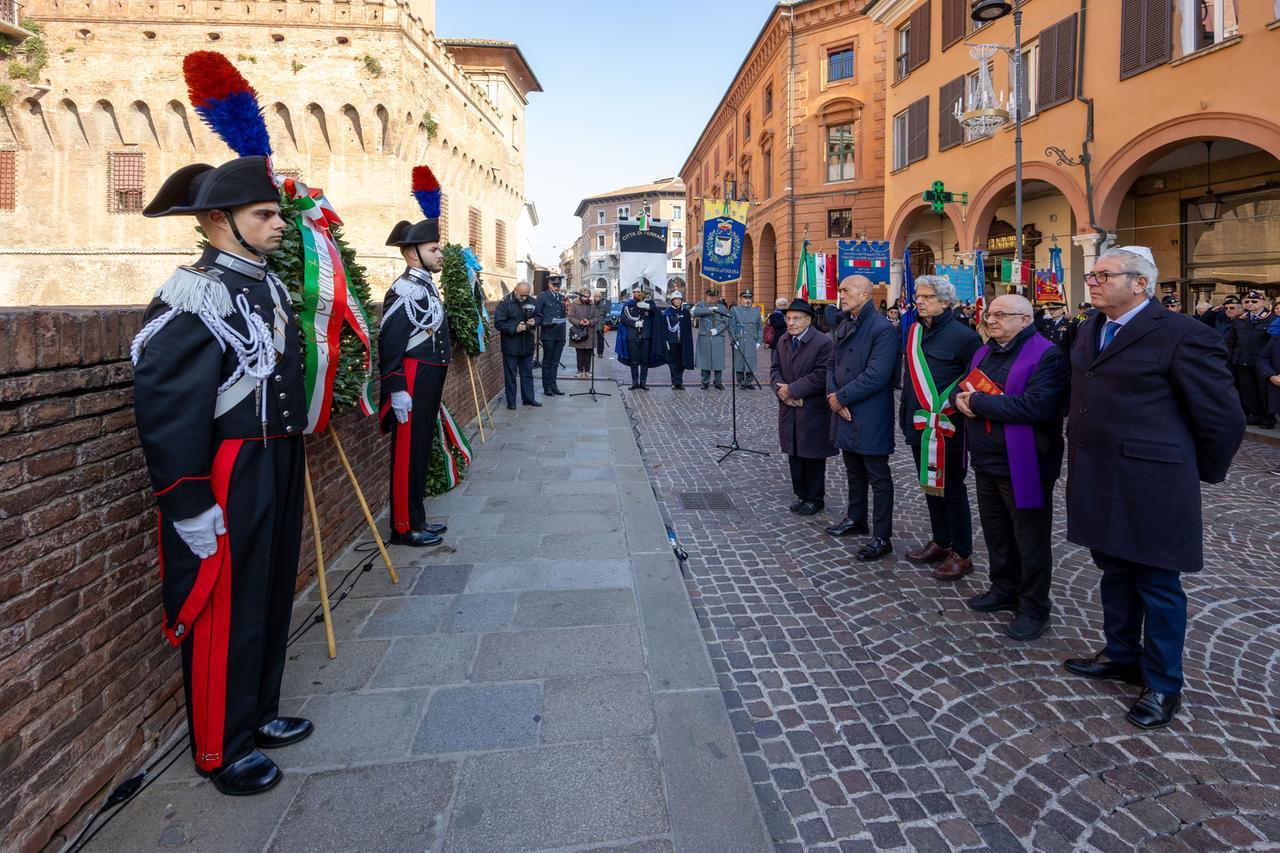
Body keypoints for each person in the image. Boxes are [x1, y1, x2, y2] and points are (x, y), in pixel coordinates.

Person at [132, 155, 312, 796]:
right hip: (230, 464)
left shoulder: (267, 286)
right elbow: (167, 399)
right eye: (263, 215)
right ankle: (220, 745)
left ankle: (258, 714)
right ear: (217, 220)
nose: (278, 225)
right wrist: (187, 498)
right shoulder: (196, 292)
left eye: (275, 214)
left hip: (275, 456)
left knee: (267, 592)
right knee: (224, 604)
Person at [1062, 246, 1244, 730]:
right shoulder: (1091, 328)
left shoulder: (1183, 335)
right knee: (1113, 570)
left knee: (1159, 584)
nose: (1093, 282)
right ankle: (1121, 653)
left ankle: (1163, 683)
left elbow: (1222, 417)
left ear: (1141, 283)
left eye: (1103, 275)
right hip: (1100, 477)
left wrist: (1191, 470)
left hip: (1155, 483)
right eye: (1091, 274)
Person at [953, 295, 1068, 641]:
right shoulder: (985, 351)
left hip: (1026, 462)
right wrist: (959, 399)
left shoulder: (1047, 354)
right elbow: (970, 384)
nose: (992, 320)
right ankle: (1003, 586)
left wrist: (977, 402)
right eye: (990, 314)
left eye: (1001, 315)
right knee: (996, 531)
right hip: (986, 459)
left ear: (1025, 319)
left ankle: (1034, 607)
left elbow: (1036, 407)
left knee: (1030, 538)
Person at [380, 167, 452, 548]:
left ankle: (418, 516)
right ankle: (404, 526)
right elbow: (390, 342)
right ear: (412, 253)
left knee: (420, 448)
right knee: (407, 453)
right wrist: (395, 388)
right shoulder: (406, 290)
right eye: (433, 249)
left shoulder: (424, 287)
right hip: (411, 379)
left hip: (428, 378)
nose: (439, 254)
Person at [900, 274, 983, 581]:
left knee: (952, 491)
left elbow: (972, 382)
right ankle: (940, 540)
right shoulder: (914, 332)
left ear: (945, 301)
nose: (919, 301)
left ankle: (962, 554)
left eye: (927, 297)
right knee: (929, 485)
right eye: (918, 297)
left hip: (950, 427)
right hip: (919, 424)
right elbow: (909, 379)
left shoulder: (966, 338)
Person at [825, 275, 898, 562]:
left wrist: (841, 398)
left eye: (846, 290)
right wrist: (833, 396)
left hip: (869, 412)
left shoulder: (882, 328)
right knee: (853, 469)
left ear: (865, 294)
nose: (840, 294)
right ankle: (856, 519)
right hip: (844, 407)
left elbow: (877, 375)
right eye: (840, 289)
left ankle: (882, 536)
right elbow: (831, 363)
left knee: (878, 475)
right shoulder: (845, 322)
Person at [771, 299, 836, 516]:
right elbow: (775, 369)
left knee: (813, 455)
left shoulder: (823, 342)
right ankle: (801, 494)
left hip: (812, 409)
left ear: (808, 320)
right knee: (794, 453)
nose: (791, 322)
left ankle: (815, 498)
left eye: (797, 318)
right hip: (789, 408)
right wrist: (780, 390)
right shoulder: (783, 340)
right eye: (788, 318)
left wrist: (793, 390)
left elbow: (821, 375)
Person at [1226, 291, 1275, 428]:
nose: (1250, 304)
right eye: (1247, 302)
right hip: (1242, 360)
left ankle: (1268, 417)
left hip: (1262, 362)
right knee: (1248, 391)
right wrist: (1230, 357)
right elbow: (1231, 341)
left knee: (1264, 391)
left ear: (1263, 303)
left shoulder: (1272, 319)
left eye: (1254, 301)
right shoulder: (1240, 319)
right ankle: (1255, 415)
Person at [494, 281, 540, 409]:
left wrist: (535, 321)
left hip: (527, 343)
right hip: (511, 345)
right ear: (515, 290)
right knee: (511, 375)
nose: (524, 298)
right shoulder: (505, 303)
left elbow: (539, 316)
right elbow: (498, 323)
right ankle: (511, 402)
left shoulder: (531, 300)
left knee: (527, 373)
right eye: (522, 295)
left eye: (526, 295)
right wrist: (515, 328)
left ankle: (529, 399)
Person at [616, 283, 662, 389]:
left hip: (646, 336)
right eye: (636, 292)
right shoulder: (629, 305)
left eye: (640, 292)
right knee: (634, 361)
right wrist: (634, 324)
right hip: (633, 336)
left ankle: (643, 382)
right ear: (633, 293)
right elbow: (623, 318)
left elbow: (656, 312)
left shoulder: (649, 303)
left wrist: (647, 306)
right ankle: (635, 382)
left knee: (645, 361)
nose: (638, 293)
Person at [536, 274, 568, 397]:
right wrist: (545, 323)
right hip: (548, 334)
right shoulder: (543, 297)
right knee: (547, 361)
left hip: (560, 334)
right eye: (554, 285)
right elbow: (538, 314)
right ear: (549, 284)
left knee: (555, 362)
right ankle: (547, 387)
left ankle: (554, 386)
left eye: (558, 285)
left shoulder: (561, 297)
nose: (556, 287)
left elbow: (562, 313)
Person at [693, 285, 729, 389]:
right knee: (705, 360)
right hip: (705, 336)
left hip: (717, 336)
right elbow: (696, 312)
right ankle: (705, 382)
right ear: (706, 296)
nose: (712, 298)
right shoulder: (701, 305)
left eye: (714, 296)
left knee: (718, 360)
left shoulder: (722, 307)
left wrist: (717, 330)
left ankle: (718, 382)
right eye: (710, 296)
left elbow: (726, 322)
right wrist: (710, 310)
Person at [730, 289, 763, 389]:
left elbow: (759, 328)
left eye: (749, 298)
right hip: (740, 340)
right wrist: (734, 340)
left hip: (751, 340)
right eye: (745, 298)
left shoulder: (756, 311)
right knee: (739, 361)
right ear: (741, 299)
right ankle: (741, 382)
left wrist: (759, 341)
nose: (747, 300)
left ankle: (749, 382)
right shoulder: (735, 310)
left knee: (750, 361)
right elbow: (732, 327)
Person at [663, 288, 695, 389]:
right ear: (672, 300)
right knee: (672, 362)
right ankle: (674, 382)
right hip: (671, 341)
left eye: (679, 299)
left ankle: (679, 382)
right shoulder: (667, 313)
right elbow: (664, 329)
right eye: (675, 299)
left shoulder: (685, 312)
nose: (678, 301)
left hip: (682, 341)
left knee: (682, 362)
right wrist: (665, 341)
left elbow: (688, 329)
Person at [568, 287, 598, 377]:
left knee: (588, 352)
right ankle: (580, 370)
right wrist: (579, 322)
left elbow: (597, 317)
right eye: (584, 296)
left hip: (590, 332)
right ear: (580, 296)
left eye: (588, 296)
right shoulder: (575, 304)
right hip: (579, 332)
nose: (586, 298)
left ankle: (588, 371)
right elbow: (570, 317)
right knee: (580, 352)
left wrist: (590, 322)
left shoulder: (592, 305)